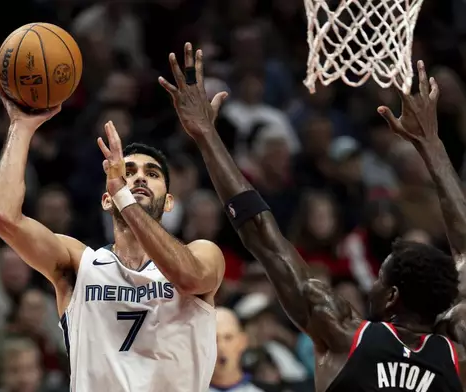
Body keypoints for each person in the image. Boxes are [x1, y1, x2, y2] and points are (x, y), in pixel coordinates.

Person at [159, 43, 463, 392]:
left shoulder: (342, 332)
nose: (373, 286)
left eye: (379, 278)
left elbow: (263, 235)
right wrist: (433, 144)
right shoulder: (457, 355)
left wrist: (206, 135)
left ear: (392, 295)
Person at [0, 78, 225, 390]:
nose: (138, 178)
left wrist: (125, 197)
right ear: (105, 199)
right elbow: (4, 218)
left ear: (169, 202)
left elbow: (189, 278)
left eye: (151, 174)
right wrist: (21, 126)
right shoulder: (80, 264)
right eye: (128, 173)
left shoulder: (203, 252)